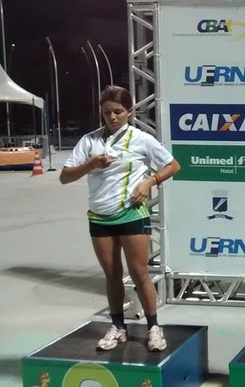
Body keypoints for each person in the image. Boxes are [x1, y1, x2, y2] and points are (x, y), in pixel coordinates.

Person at [60, 86, 180, 352]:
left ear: (130, 111)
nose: (112, 117)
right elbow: (65, 176)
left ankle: (153, 327)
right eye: (107, 113)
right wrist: (91, 164)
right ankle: (118, 327)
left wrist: (149, 182)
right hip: (99, 216)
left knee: (139, 273)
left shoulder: (141, 139)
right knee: (112, 274)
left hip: (131, 213)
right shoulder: (89, 141)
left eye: (118, 112)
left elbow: (173, 165)